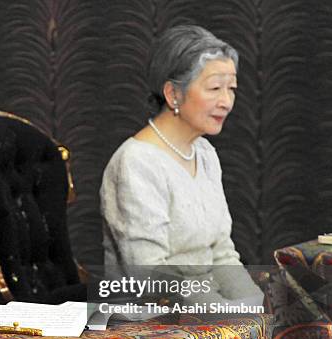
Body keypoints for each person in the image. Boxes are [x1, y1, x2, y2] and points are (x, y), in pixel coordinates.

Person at [100, 25, 263, 307]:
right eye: (214, 88)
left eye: (231, 89)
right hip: (154, 321)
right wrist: (227, 316)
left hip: (209, 312)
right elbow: (152, 277)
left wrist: (253, 306)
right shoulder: (136, 163)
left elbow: (223, 253)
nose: (226, 101)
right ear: (173, 93)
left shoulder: (204, 153)